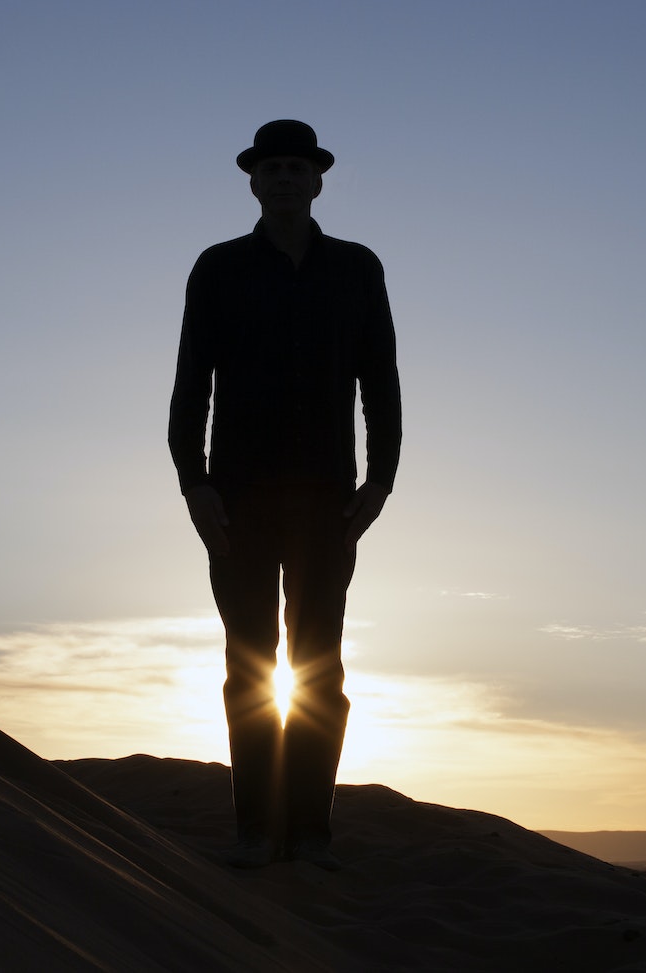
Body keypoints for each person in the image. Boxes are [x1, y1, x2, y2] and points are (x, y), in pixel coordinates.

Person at [168, 119, 401, 870]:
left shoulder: (356, 268)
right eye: (272, 168)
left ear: (318, 179)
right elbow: (190, 383)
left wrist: (381, 481)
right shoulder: (218, 268)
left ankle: (309, 833)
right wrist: (194, 481)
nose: (285, 178)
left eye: (297, 167)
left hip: (328, 500)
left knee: (319, 664)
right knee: (248, 663)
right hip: (237, 498)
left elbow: (381, 384)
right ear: (253, 180)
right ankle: (252, 829)